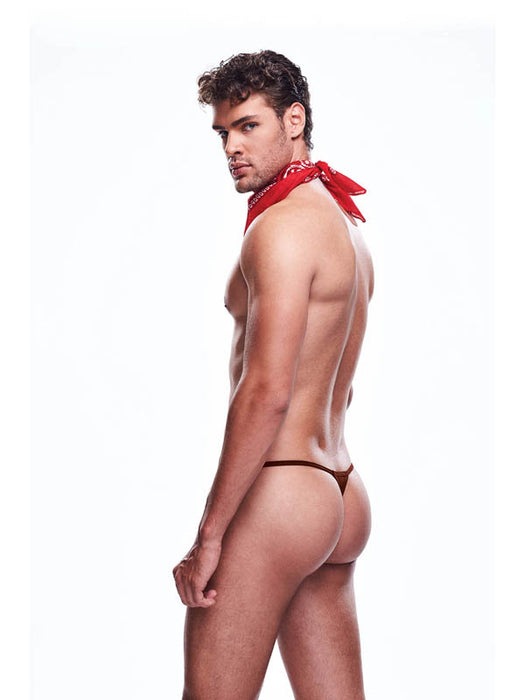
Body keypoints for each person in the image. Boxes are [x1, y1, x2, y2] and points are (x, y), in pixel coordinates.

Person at [172, 49, 374, 699]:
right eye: (222, 133)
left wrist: (209, 535)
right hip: (339, 489)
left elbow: (266, 392)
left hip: (282, 491)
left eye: (248, 126)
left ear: (294, 120)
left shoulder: (282, 228)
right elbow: (339, 379)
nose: (231, 146)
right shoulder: (342, 224)